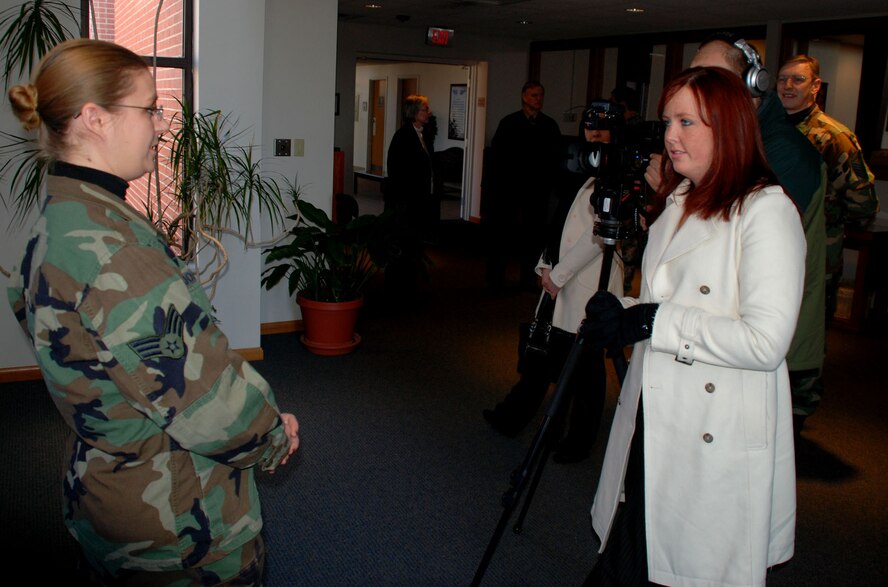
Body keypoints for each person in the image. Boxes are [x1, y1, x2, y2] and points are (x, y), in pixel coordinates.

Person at [6, 39, 299, 585]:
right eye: (148, 109)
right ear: (95, 119)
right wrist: (271, 436)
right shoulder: (113, 249)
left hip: (111, 489)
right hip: (177, 526)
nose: (161, 125)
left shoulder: (62, 219)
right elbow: (210, 403)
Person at [584, 66, 805, 586]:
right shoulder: (681, 200)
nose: (669, 137)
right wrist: (625, 310)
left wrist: (653, 319)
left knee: (680, 566)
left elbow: (765, 342)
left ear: (727, 128)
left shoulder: (766, 211)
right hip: (655, 413)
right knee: (635, 551)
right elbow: (669, 299)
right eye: (667, 122)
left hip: (711, 431)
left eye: (686, 122)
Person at [668, 32, 828, 439]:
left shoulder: (781, 154)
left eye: (712, 77)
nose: (699, 88)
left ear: (751, 85)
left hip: (758, 337)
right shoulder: (723, 147)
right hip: (710, 333)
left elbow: (729, 236)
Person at [483, 101, 624, 464]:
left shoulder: (618, 175)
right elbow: (559, 224)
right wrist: (547, 265)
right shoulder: (580, 168)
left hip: (588, 284)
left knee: (586, 368)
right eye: (589, 126)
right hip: (561, 278)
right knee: (547, 352)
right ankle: (516, 418)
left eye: (602, 128)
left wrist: (557, 275)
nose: (594, 132)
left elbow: (598, 238)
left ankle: (576, 442)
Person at [777, 54, 879, 323]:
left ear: (815, 86)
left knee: (808, 334)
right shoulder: (766, 131)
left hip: (815, 253)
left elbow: (863, 203)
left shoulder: (834, 137)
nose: (788, 86)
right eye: (782, 79)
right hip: (773, 249)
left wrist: (822, 217)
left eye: (798, 80)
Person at [485, 80, 562, 293]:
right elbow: (498, 157)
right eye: (534, 95)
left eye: (541, 95)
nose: (538, 99)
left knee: (534, 236)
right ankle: (495, 280)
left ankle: (528, 279)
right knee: (502, 234)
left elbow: (555, 158)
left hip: (537, 189)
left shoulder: (549, 125)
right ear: (524, 97)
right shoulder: (509, 123)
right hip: (509, 188)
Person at [384, 94, 435, 297]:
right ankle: (398, 289)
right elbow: (398, 171)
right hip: (404, 203)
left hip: (417, 201)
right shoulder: (403, 136)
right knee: (402, 245)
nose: (428, 112)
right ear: (413, 113)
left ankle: (409, 287)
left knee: (413, 246)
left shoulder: (423, 134)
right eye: (425, 109)